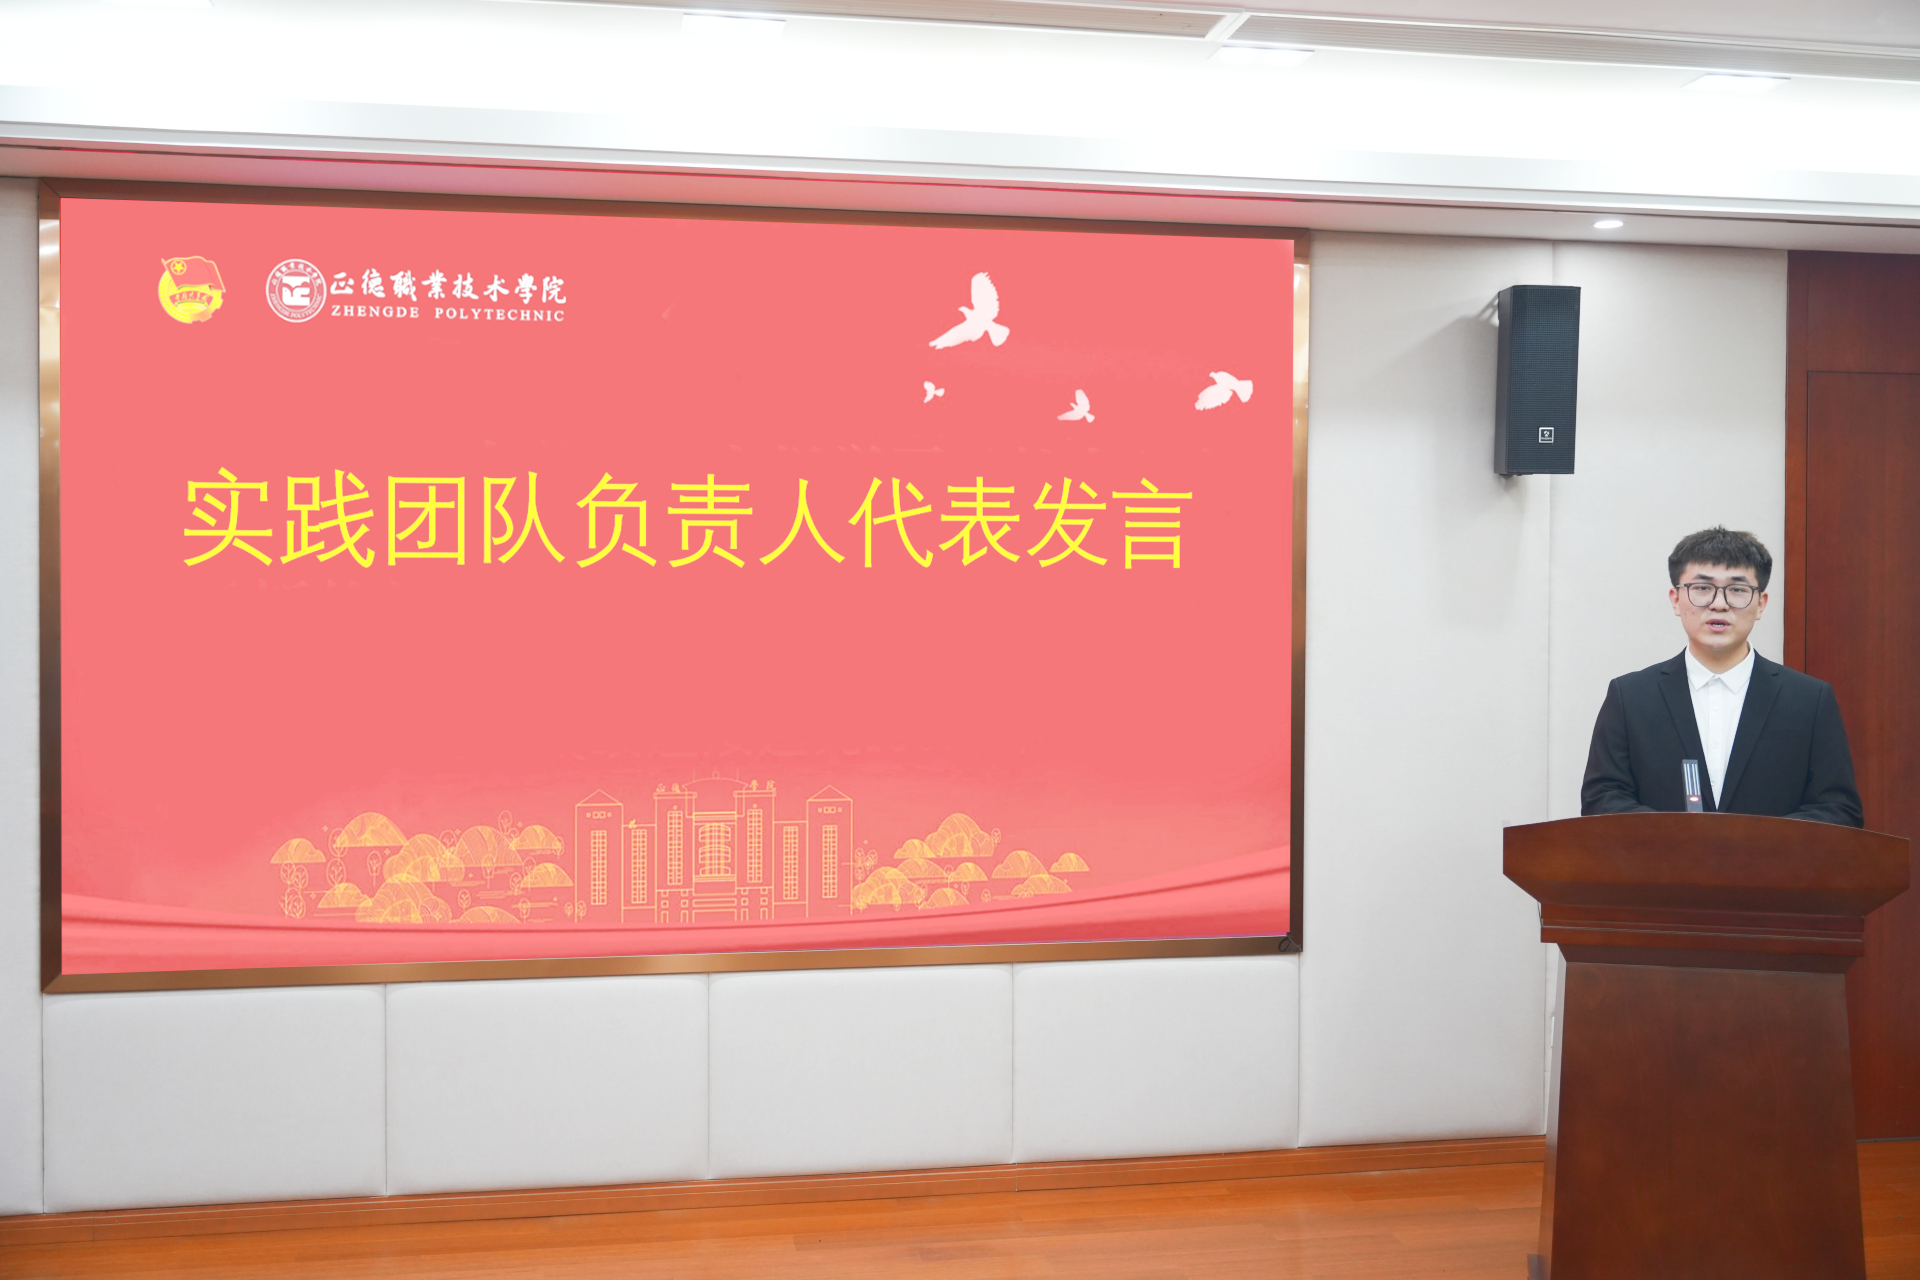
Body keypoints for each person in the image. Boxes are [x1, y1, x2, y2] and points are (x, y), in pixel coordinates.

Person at [1581, 526, 1862, 825]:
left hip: (1771, 858)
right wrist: (1682, 840)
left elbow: (1838, 809)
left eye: (1737, 590)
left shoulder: (1810, 700)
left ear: (1761, 604)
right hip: (1661, 857)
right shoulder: (1630, 697)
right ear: (1676, 599)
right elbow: (1602, 799)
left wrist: (1750, 845)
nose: (1719, 603)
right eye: (1702, 588)